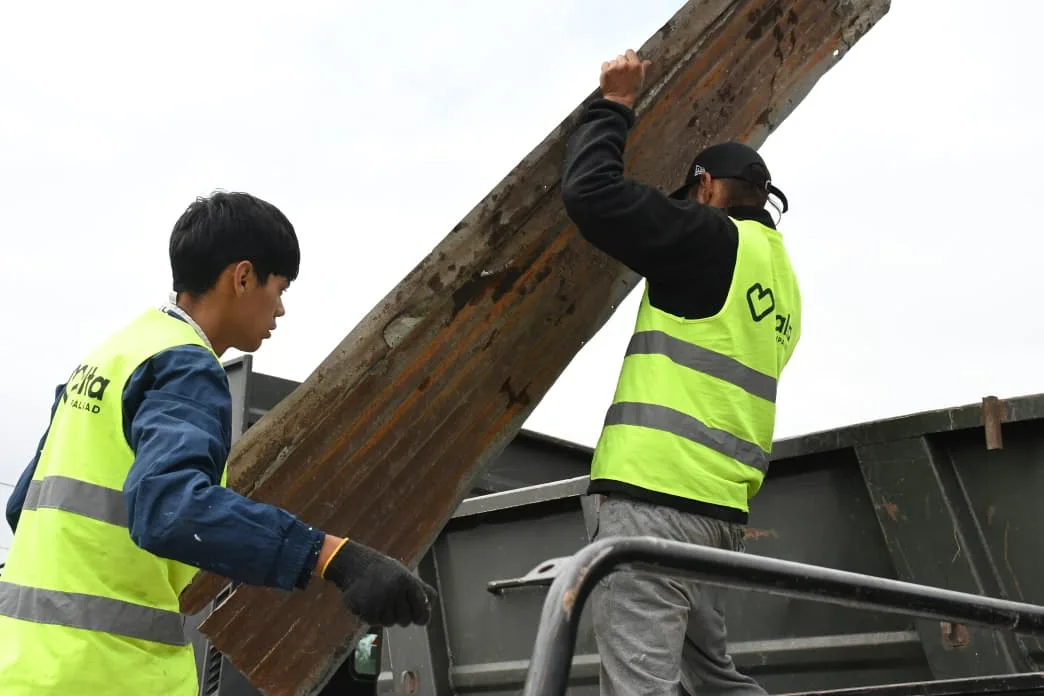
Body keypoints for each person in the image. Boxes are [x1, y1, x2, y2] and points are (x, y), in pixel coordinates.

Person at [0, 191, 436, 695]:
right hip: (108, 675)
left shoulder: (112, 356)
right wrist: (333, 556)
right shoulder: (185, 366)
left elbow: (22, 505)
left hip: (23, 668)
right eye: (280, 288)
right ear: (243, 277)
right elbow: (172, 509)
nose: (282, 309)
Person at [561, 49, 802, 695]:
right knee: (713, 681)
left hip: (653, 502)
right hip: (719, 515)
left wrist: (614, 105)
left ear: (706, 187)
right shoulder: (782, 283)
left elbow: (592, 195)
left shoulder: (709, 238)